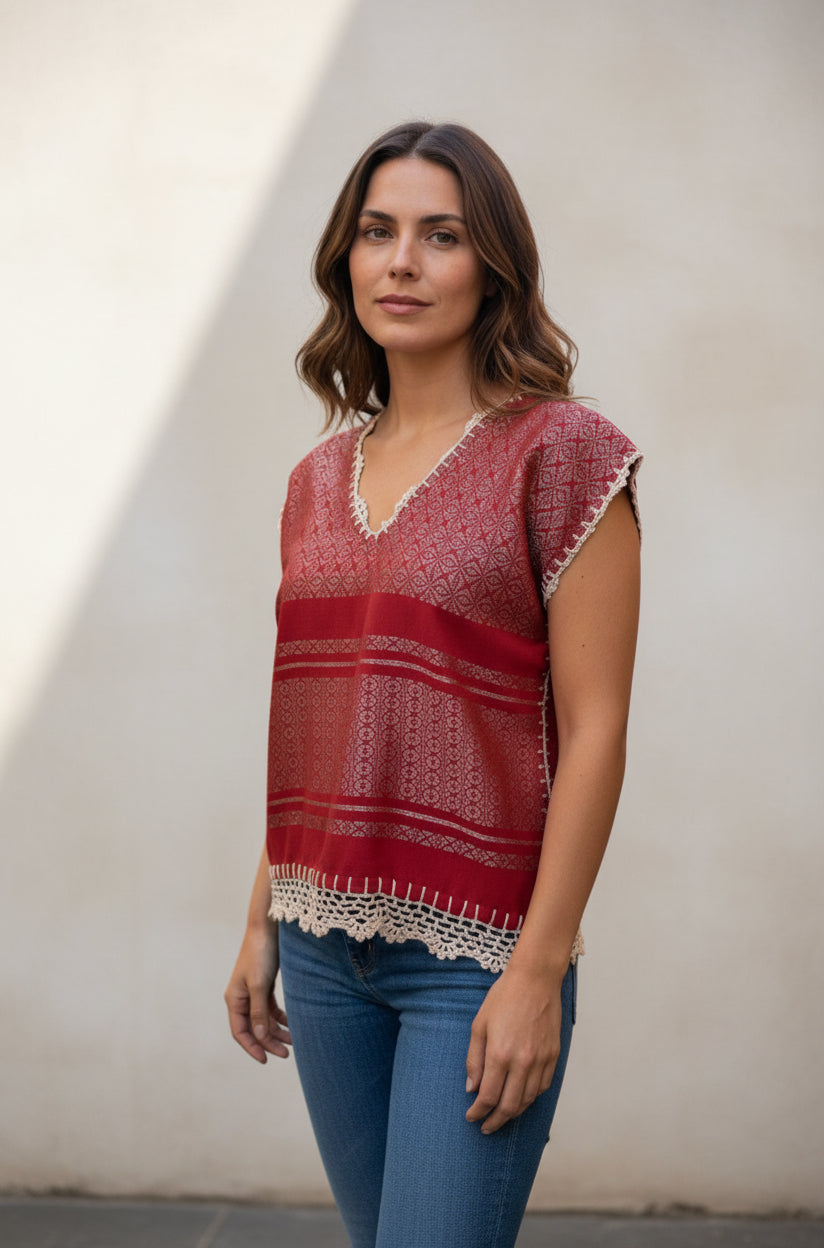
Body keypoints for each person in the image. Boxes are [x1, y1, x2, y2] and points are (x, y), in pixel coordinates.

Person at [224, 120, 641, 1248]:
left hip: (474, 962)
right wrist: (264, 917)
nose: (401, 261)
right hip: (320, 950)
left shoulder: (563, 454)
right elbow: (318, 717)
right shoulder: (315, 480)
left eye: (440, 235)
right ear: (345, 259)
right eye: (377, 231)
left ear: (491, 264)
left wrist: (536, 973)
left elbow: (595, 731)